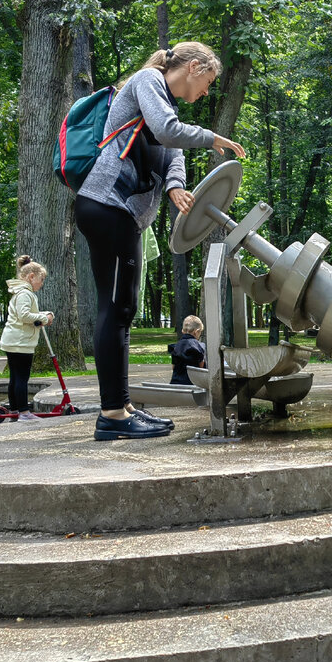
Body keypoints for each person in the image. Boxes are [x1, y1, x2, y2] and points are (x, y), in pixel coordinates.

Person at [75, 40, 246, 441]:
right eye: (209, 80)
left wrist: (174, 188)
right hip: (106, 205)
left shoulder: (164, 102)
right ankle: (112, 414)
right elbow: (169, 133)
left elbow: (173, 155)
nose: (206, 91)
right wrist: (214, 138)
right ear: (195, 66)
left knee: (122, 310)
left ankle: (122, 406)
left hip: (122, 215)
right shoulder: (148, 80)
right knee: (115, 310)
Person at [0, 256, 55, 421]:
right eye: (41, 279)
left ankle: (15, 409)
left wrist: (39, 317)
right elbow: (24, 315)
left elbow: (23, 315)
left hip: (14, 341)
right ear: (31, 276)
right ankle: (24, 412)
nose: (42, 283)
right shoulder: (25, 293)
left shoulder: (20, 292)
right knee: (21, 378)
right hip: (20, 342)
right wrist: (44, 318)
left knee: (15, 377)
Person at [170, 315, 206, 385]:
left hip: (176, 383)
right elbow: (201, 366)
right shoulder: (199, 346)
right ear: (197, 332)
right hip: (194, 383)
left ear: (183, 331)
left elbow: (173, 367)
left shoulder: (176, 346)